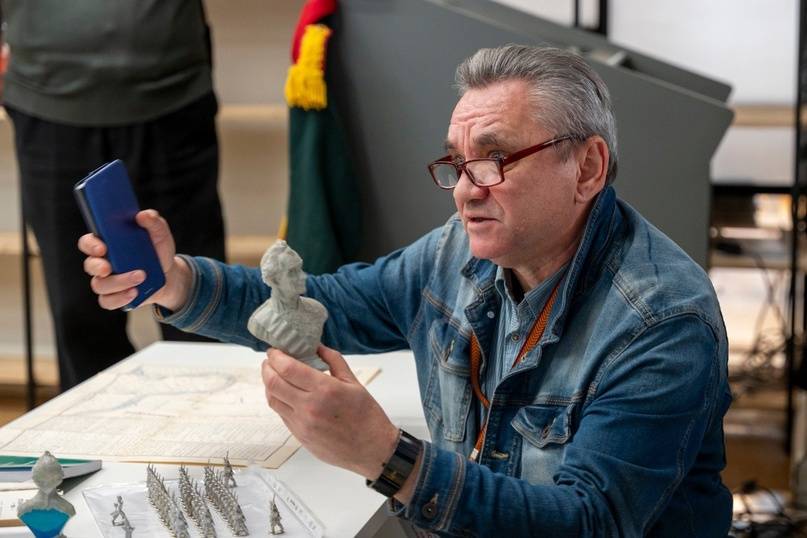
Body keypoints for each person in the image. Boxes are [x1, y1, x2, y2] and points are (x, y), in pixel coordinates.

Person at [79, 45, 732, 536]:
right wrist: (176, 280)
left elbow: (589, 523)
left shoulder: (660, 319)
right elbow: (320, 307)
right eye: (456, 162)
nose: (465, 190)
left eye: (493, 159)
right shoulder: (455, 250)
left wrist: (387, 457)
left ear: (586, 167)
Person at [1, 0, 226, 390]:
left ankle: (213, 428)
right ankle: (93, 432)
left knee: (196, 301)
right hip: (49, 102)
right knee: (80, 313)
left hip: (172, 97)